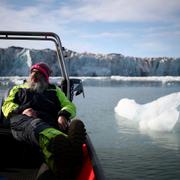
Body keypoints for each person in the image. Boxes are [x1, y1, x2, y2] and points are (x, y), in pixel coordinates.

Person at [2, 62, 86, 179]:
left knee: (50, 129)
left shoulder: (54, 90)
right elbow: (7, 105)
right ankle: (67, 146)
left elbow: (69, 105)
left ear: (45, 78)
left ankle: (61, 158)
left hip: (49, 122)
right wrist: (22, 110)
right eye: (33, 72)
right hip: (23, 121)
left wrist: (63, 115)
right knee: (34, 125)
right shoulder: (18, 89)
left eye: (39, 73)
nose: (34, 75)